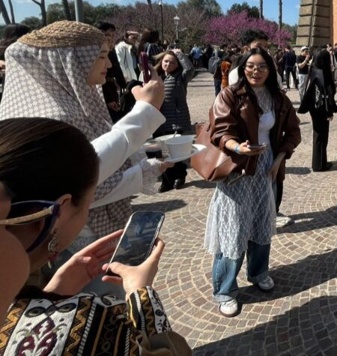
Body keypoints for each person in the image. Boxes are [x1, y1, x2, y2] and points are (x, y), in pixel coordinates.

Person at [0, 22, 169, 292]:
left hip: (78, 236)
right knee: (106, 299)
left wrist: (142, 157)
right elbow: (81, 175)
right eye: (101, 56)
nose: (109, 64)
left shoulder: (65, 101)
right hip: (73, 244)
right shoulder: (51, 115)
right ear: (68, 60)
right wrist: (145, 112)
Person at [0, 117, 191, 355]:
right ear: (61, 210)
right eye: (89, 203)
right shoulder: (87, 324)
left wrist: (53, 293)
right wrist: (142, 296)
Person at [205, 47, 301, 317]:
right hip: (238, 169)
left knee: (261, 221)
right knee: (233, 228)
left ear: (270, 70)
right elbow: (219, 130)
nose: (255, 71)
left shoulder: (278, 98)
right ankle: (224, 289)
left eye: (261, 66)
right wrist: (238, 147)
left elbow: (293, 131)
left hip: (265, 169)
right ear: (242, 68)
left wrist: (279, 159)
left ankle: (258, 272)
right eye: (250, 66)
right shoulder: (230, 94)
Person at [152, 50, 195, 191]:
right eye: (166, 61)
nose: (168, 64)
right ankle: (166, 181)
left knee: (176, 151)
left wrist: (181, 55)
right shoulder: (155, 77)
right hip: (158, 120)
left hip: (176, 120)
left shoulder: (180, 77)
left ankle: (179, 176)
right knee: (162, 152)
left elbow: (190, 69)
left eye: (172, 62)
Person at [299, 49, 337, 172]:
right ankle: (320, 164)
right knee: (322, 135)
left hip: (314, 106)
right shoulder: (323, 73)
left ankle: (319, 161)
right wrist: (330, 111)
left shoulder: (313, 70)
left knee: (318, 134)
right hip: (322, 107)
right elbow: (327, 94)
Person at [98, 22, 128, 123]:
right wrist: (109, 98)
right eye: (106, 35)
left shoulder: (111, 48)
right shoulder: (98, 49)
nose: (109, 38)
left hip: (112, 87)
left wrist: (123, 85)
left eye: (111, 35)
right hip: (103, 89)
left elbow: (116, 68)